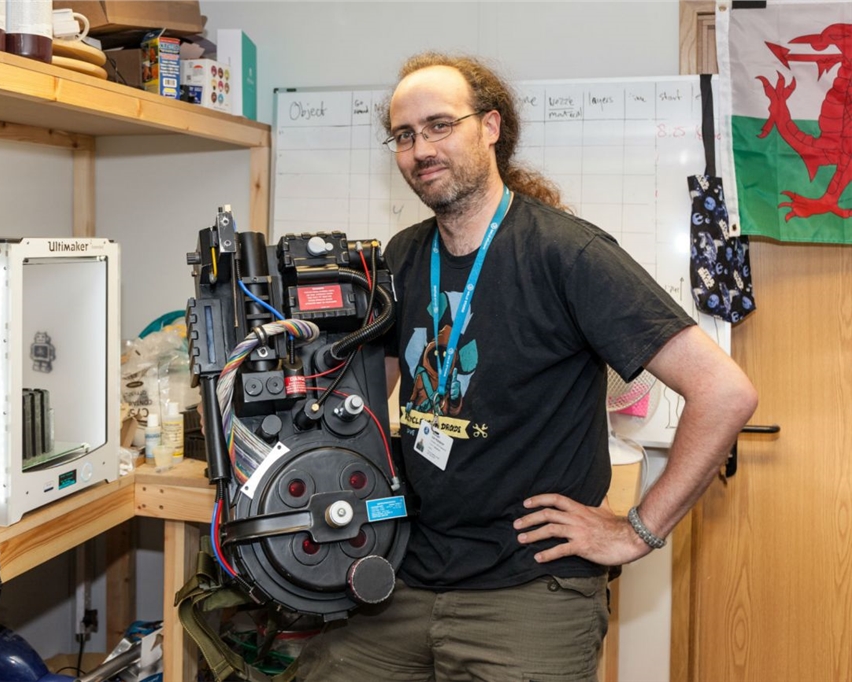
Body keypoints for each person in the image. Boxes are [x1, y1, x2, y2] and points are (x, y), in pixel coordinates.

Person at [297, 52, 758, 681]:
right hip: (402, 573)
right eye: (404, 136)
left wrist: (637, 531)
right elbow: (363, 408)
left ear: (490, 127)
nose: (420, 149)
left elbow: (724, 392)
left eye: (439, 125)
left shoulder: (567, 253)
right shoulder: (403, 257)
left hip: (529, 588)